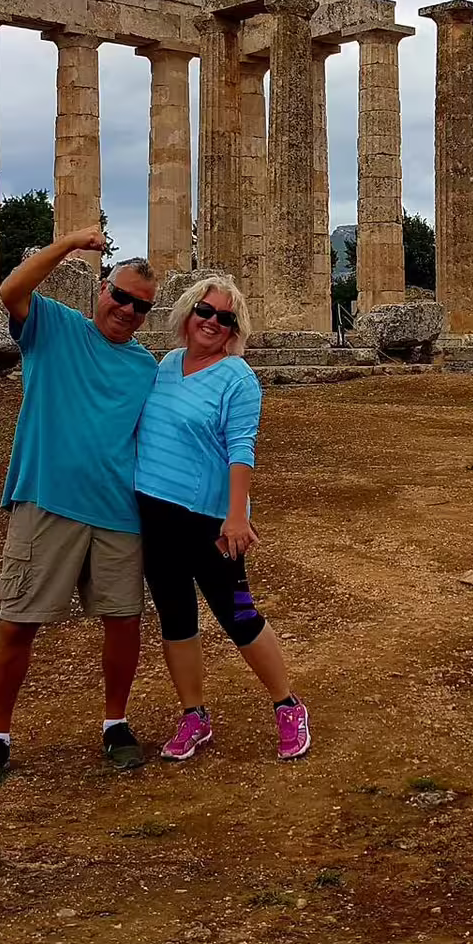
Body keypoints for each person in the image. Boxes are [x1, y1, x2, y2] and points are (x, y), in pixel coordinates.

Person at [0, 230, 160, 791]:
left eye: (141, 306)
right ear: (102, 290)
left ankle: (116, 724)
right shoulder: (54, 327)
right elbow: (11, 291)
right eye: (120, 296)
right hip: (47, 499)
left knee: (123, 622)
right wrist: (71, 242)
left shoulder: (146, 367)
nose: (127, 310)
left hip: (119, 512)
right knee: (17, 620)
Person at [134, 273, 310, 761]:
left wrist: (237, 516)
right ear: (188, 313)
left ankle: (287, 704)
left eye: (225, 318)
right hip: (156, 513)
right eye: (205, 311)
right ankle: (194, 715)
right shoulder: (167, 364)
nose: (212, 322)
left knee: (239, 615)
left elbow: (241, 449)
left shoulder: (238, 377)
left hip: (210, 519)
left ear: (235, 329)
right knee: (176, 618)